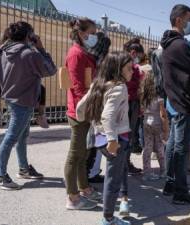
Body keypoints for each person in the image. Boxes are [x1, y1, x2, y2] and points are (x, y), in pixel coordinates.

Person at [0, 21, 56, 190]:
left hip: (12, 100)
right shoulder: (29, 54)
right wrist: (41, 49)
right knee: (11, 137)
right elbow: (51, 69)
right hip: (24, 102)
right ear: (28, 36)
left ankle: (23, 168)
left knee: (21, 135)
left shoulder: (2, 53)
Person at [77, 52, 132, 225]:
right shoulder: (119, 87)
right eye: (129, 68)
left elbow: (80, 107)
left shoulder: (99, 84)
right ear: (118, 69)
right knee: (113, 180)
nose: (132, 72)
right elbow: (108, 116)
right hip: (116, 139)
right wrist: (112, 140)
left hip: (98, 138)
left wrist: (81, 119)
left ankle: (118, 208)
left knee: (117, 172)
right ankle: (108, 219)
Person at [161, 4, 190, 205]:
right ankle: (180, 191)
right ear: (179, 20)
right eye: (189, 19)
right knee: (181, 147)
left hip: (173, 100)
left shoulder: (168, 43)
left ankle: (170, 184)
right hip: (182, 101)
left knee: (173, 143)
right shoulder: (181, 45)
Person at [64, 18, 101, 210]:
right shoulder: (76, 54)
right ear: (82, 33)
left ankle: (84, 188)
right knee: (75, 154)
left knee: (83, 153)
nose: (95, 36)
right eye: (93, 32)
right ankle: (72, 197)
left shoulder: (83, 52)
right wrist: (88, 109)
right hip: (80, 112)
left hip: (85, 110)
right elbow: (78, 87)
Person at [0, 30, 49, 135]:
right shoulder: (4, 47)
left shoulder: (26, 46)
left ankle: (41, 115)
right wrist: (1, 46)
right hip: (5, 79)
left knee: (42, 89)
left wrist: (36, 45)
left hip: (20, 78)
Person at [85, 31, 112, 184]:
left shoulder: (89, 58)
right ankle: (91, 173)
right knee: (97, 140)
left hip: (89, 105)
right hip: (98, 106)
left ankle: (91, 172)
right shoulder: (103, 64)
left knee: (92, 140)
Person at [141, 70, 169, 181]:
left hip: (146, 122)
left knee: (147, 148)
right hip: (158, 124)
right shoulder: (159, 97)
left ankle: (146, 173)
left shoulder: (143, 95)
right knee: (160, 148)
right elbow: (163, 114)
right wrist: (166, 129)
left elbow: (142, 109)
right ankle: (163, 171)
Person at [123, 38, 145, 175]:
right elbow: (133, 85)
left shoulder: (120, 63)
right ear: (133, 53)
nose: (139, 60)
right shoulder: (131, 68)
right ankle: (125, 163)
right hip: (130, 104)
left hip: (127, 103)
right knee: (127, 136)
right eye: (139, 57)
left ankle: (124, 162)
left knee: (125, 136)